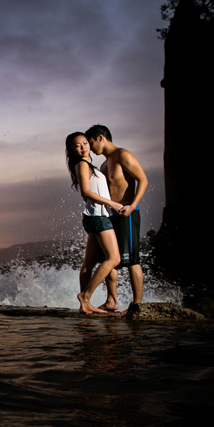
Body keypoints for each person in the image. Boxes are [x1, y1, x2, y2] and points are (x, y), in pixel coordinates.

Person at [85, 124, 148, 310]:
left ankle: (137, 305)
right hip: (110, 216)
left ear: (100, 138)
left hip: (127, 214)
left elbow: (143, 179)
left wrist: (132, 205)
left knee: (132, 261)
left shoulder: (122, 155)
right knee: (110, 258)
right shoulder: (104, 164)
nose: (90, 147)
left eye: (90, 142)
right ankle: (111, 301)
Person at [65, 132, 123, 314]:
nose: (83, 147)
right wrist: (112, 203)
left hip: (94, 216)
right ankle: (86, 296)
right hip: (98, 217)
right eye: (77, 145)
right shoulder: (82, 164)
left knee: (88, 263)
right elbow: (86, 193)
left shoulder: (89, 165)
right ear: (72, 150)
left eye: (85, 143)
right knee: (114, 259)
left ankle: (85, 305)